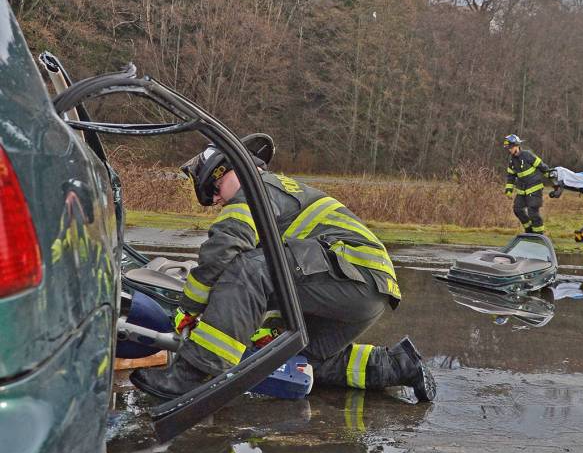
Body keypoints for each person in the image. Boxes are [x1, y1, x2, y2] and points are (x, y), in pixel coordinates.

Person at [131, 135, 436, 403]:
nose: (216, 199)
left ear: (227, 170)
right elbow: (282, 281)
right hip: (361, 288)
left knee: (245, 267)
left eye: (214, 188)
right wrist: (271, 328)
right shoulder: (281, 194)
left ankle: (193, 375)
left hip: (352, 270)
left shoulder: (255, 186)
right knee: (291, 358)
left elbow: (227, 248)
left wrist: (190, 306)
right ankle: (398, 365)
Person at [502, 134, 552, 234]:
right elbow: (511, 176)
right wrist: (509, 189)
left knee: (533, 212)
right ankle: (529, 231)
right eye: (508, 148)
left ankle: (539, 235)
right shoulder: (512, 160)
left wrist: (552, 177)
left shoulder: (527, 155)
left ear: (516, 146)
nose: (509, 150)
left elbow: (542, 166)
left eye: (510, 147)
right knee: (517, 209)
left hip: (534, 188)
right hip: (522, 190)